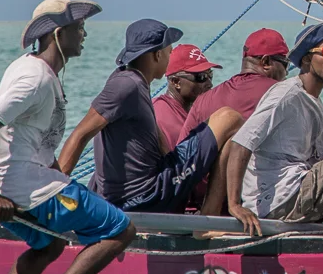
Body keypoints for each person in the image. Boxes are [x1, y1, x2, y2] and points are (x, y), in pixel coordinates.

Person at [0, 0, 136, 274]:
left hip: (24, 183)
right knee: (120, 229)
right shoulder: (33, 79)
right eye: (79, 29)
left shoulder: (39, 71)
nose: (84, 34)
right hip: (22, 188)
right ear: (59, 35)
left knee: (50, 244)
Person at [58, 20, 244, 215]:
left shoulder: (136, 82)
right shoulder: (126, 85)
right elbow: (80, 135)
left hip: (153, 183)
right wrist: (55, 192)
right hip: (145, 195)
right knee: (229, 117)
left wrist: (178, 167)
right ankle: (209, 217)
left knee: (225, 125)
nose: (170, 57)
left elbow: (156, 136)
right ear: (157, 54)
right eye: (169, 52)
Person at [224, 22, 323, 235]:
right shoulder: (285, 95)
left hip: (301, 189)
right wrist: (234, 205)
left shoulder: (314, 103)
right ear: (306, 59)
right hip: (278, 201)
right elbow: (241, 143)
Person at [180, 28, 290, 136]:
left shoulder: (202, 101)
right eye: (286, 65)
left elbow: (182, 151)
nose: (287, 72)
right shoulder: (284, 94)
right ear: (265, 62)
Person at [155, 44, 220, 150]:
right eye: (201, 77)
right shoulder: (162, 116)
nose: (210, 84)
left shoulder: (197, 111)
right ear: (176, 82)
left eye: (210, 76)